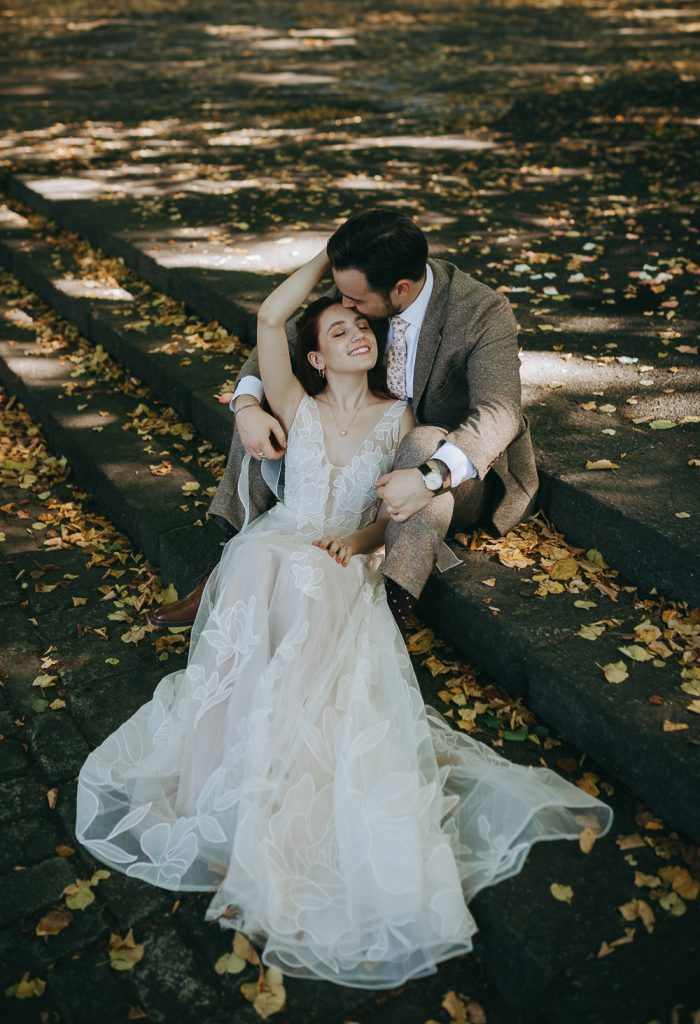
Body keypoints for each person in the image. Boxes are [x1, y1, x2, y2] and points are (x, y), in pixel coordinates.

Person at [75, 250, 614, 990]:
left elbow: (388, 514)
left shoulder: (400, 418)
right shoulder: (295, 405)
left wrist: (357, 544)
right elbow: (268, 317)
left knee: (298, 573)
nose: (357, 334)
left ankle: (283, 794)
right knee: (261, 562)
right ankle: (217, 783)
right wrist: (330, 260)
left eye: (361, 324)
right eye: (338, 329)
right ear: (315, 357)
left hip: (339, 554)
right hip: (281, 539)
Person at [153, 208, 539, 633]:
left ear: (401, 289)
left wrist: (429, 477)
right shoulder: (361, 287)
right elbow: (282, 335)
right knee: (264, 411)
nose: (345, 306)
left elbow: (499, 413)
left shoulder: (480, 311)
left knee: (422, 443)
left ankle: (394, 605)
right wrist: (245, 404)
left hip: (455, 467)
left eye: (356, 303)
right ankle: (229, 562)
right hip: (357, 431)